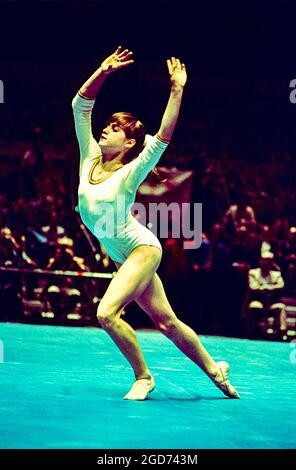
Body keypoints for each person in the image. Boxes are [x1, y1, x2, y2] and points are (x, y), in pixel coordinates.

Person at [72, 46, 240, 400]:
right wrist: (103, 71)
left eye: (113, 129)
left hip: (142, 250)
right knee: (166, 322)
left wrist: (177, 89)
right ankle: (216, 370)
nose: (104, 131)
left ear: (129, 142)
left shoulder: (134, 169)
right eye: (106, 126)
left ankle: (144, 377)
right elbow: (80, 105)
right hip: (123, 254)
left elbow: (163, 136)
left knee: (106, 312)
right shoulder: (89, 155)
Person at [246, 251, 287, 340]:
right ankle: (253, 331)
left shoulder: (277, 274)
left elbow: (281, 285)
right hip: (258, 300)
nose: (266, 263)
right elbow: (253, 286)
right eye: (265, 260)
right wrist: (269, 287)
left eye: (269, 261)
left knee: (281, 307)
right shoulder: (253, 272)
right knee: (255, 306)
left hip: (272, 302)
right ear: (260, 261)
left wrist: (266, 286)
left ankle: (281, 332)